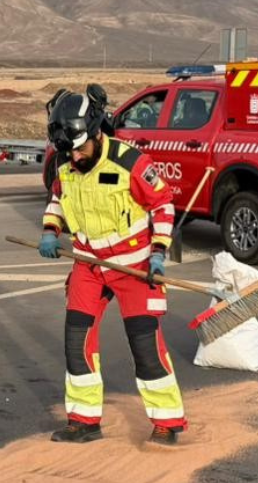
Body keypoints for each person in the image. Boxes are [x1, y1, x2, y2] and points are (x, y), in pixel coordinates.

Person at [38, 87, 186, 445]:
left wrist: (158, 253)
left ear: (96, 131)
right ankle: (84, 421)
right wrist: (50, 230)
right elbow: (59, 199)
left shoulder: (130, 162)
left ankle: (167, 422)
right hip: (88, 264)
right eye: (68, 149)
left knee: (145, 346)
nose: (75, 154)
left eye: (80, 147)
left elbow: (163, 206)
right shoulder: (65, 162)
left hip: (134, 264)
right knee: (77, 342)